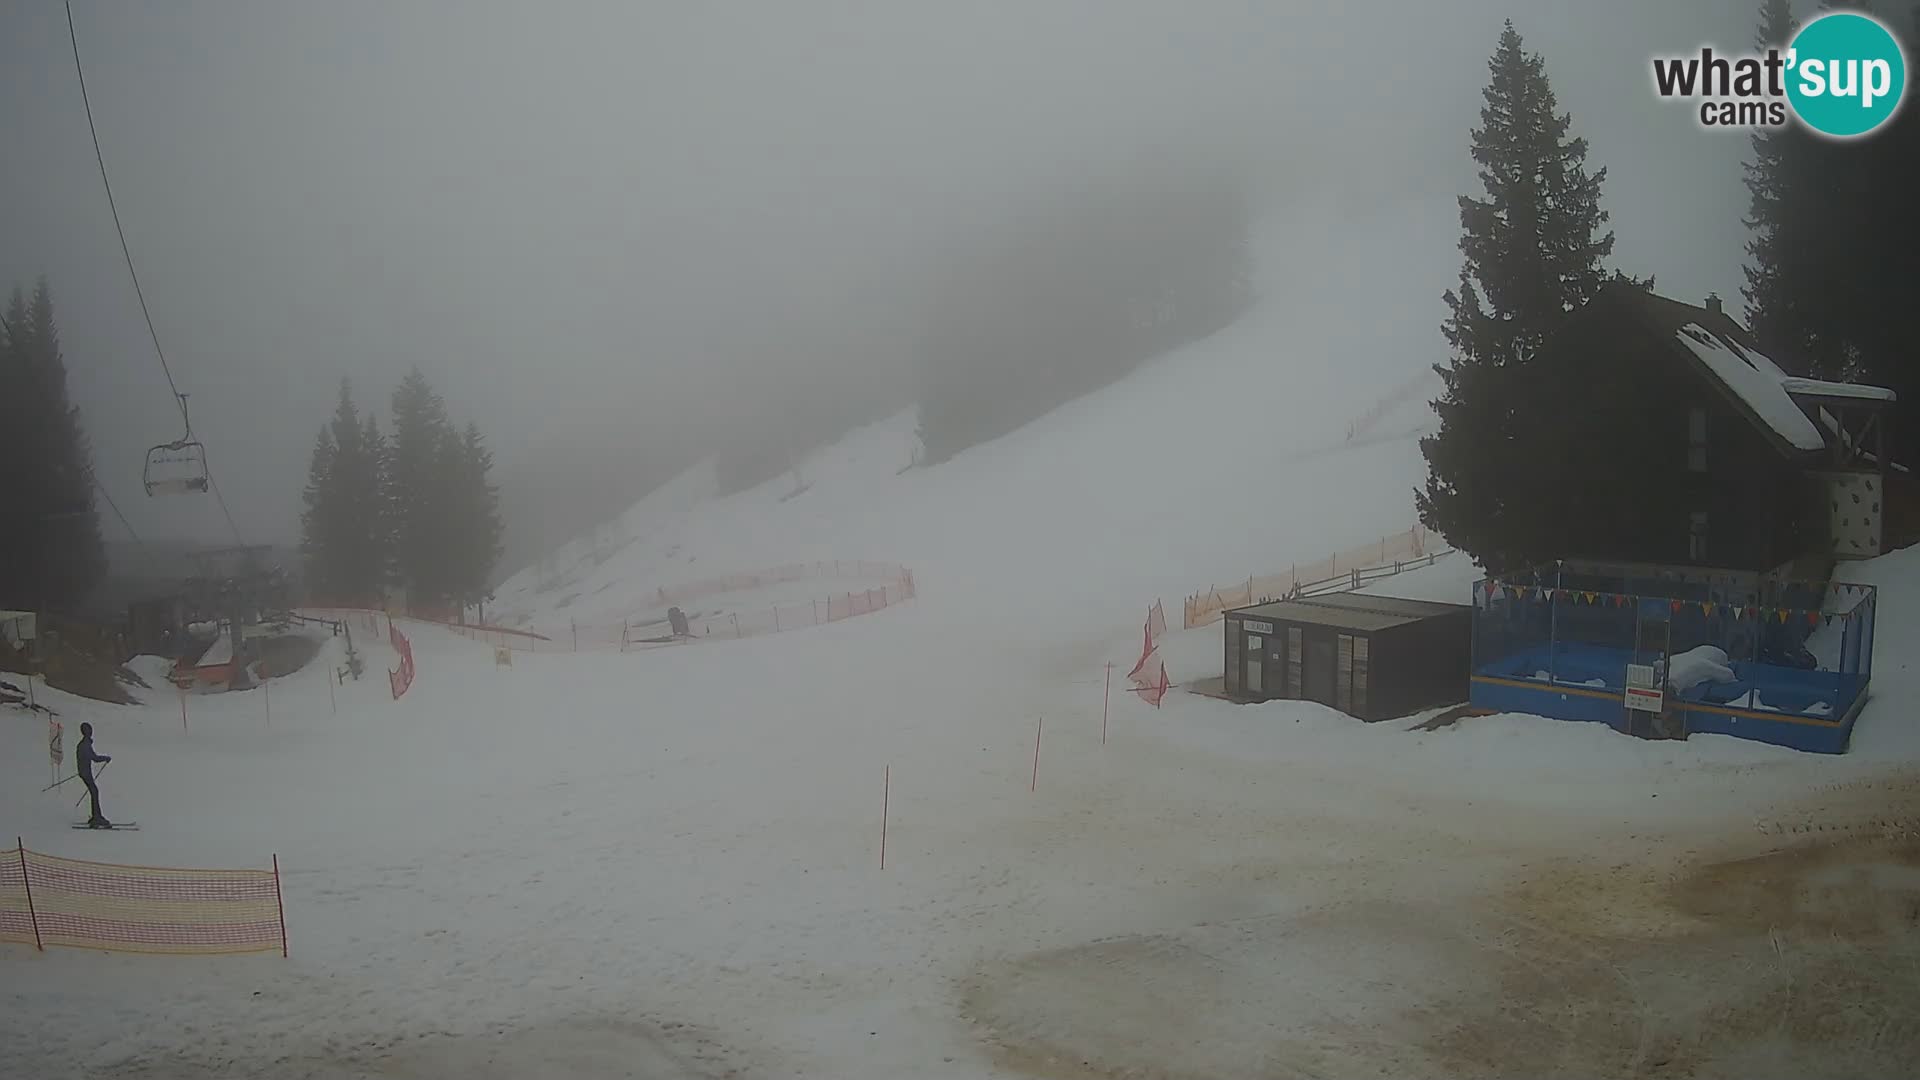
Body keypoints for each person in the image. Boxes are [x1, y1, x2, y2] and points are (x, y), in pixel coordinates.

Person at [78, 722, 113, 828]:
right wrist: (105, 758)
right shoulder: (85, 745)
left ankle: (96, 816)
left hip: (84, 772)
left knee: (94, 791)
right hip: (85, 772)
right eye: (89, 730)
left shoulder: (84, 744)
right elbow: (94, 758)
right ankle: (97, 817)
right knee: (94, 791)